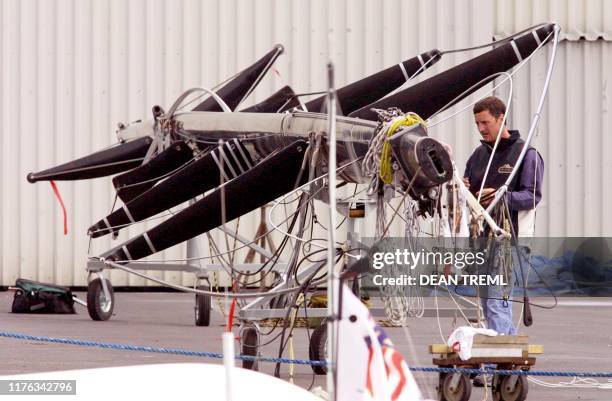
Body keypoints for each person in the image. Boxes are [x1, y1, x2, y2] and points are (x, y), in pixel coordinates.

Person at [463, 96, 544, 387]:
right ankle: (511, 363)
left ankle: (497, 367)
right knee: (490, 305)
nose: (481, 129)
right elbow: (468, 188)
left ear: (501, 119)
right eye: (477, 124)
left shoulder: (526, 154)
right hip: (482, 241)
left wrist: (500, 196)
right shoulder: (477, 155)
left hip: (510, 242)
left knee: (497, 303)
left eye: (485, 122)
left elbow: (532, 196)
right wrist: (464, 189)